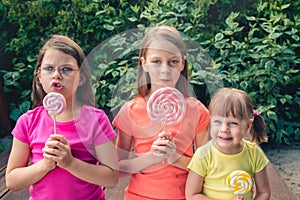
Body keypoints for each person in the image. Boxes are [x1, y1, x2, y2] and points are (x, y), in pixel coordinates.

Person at [5, 35, 119, 200]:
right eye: (49, 68)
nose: (56, 75)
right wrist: (45, 165)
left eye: (66, 69)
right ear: (39, 77)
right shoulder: (27, 122)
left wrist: (70, 163)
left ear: (81, 78)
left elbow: (111, 177)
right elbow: (12, 181)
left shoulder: (96, 120)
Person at [113, 25, 210, 200]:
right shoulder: (131, 111)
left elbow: (207, 167)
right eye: (156, 61)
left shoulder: (197, 111)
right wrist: (150, 158)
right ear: (144, 64)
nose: (165, 69)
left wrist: (174, 157)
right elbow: (117, 169)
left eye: (173, 61)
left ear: (182, 64)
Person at [186, 87, 270, 200]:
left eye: (233, 123)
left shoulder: (254, 153)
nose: (224, 129)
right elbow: (192, 195)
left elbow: (263, 193)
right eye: (217, 122)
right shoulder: (203, 155)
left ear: (248, 126)